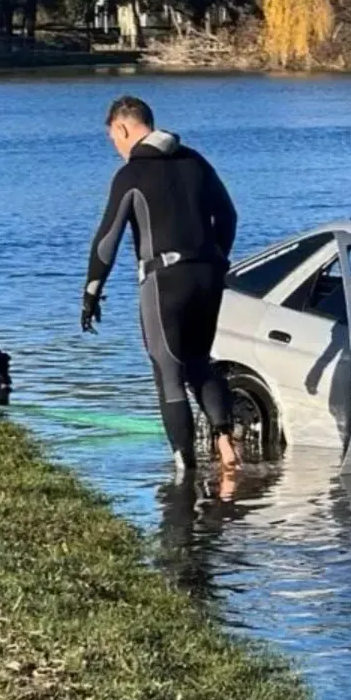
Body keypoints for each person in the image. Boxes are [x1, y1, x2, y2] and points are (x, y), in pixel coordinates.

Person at [81, 96, 239, 471]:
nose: (117, 150)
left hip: (164, 280)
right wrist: (216, 256)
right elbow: (229, 215)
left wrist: (91, 291)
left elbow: (107, 241)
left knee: (168, 372)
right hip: (208, 275)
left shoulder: (131, 175)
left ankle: (184, 471)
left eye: (114, 140)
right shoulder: (195, 160)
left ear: (123, 128)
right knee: (200, 360)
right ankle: (225, 440)